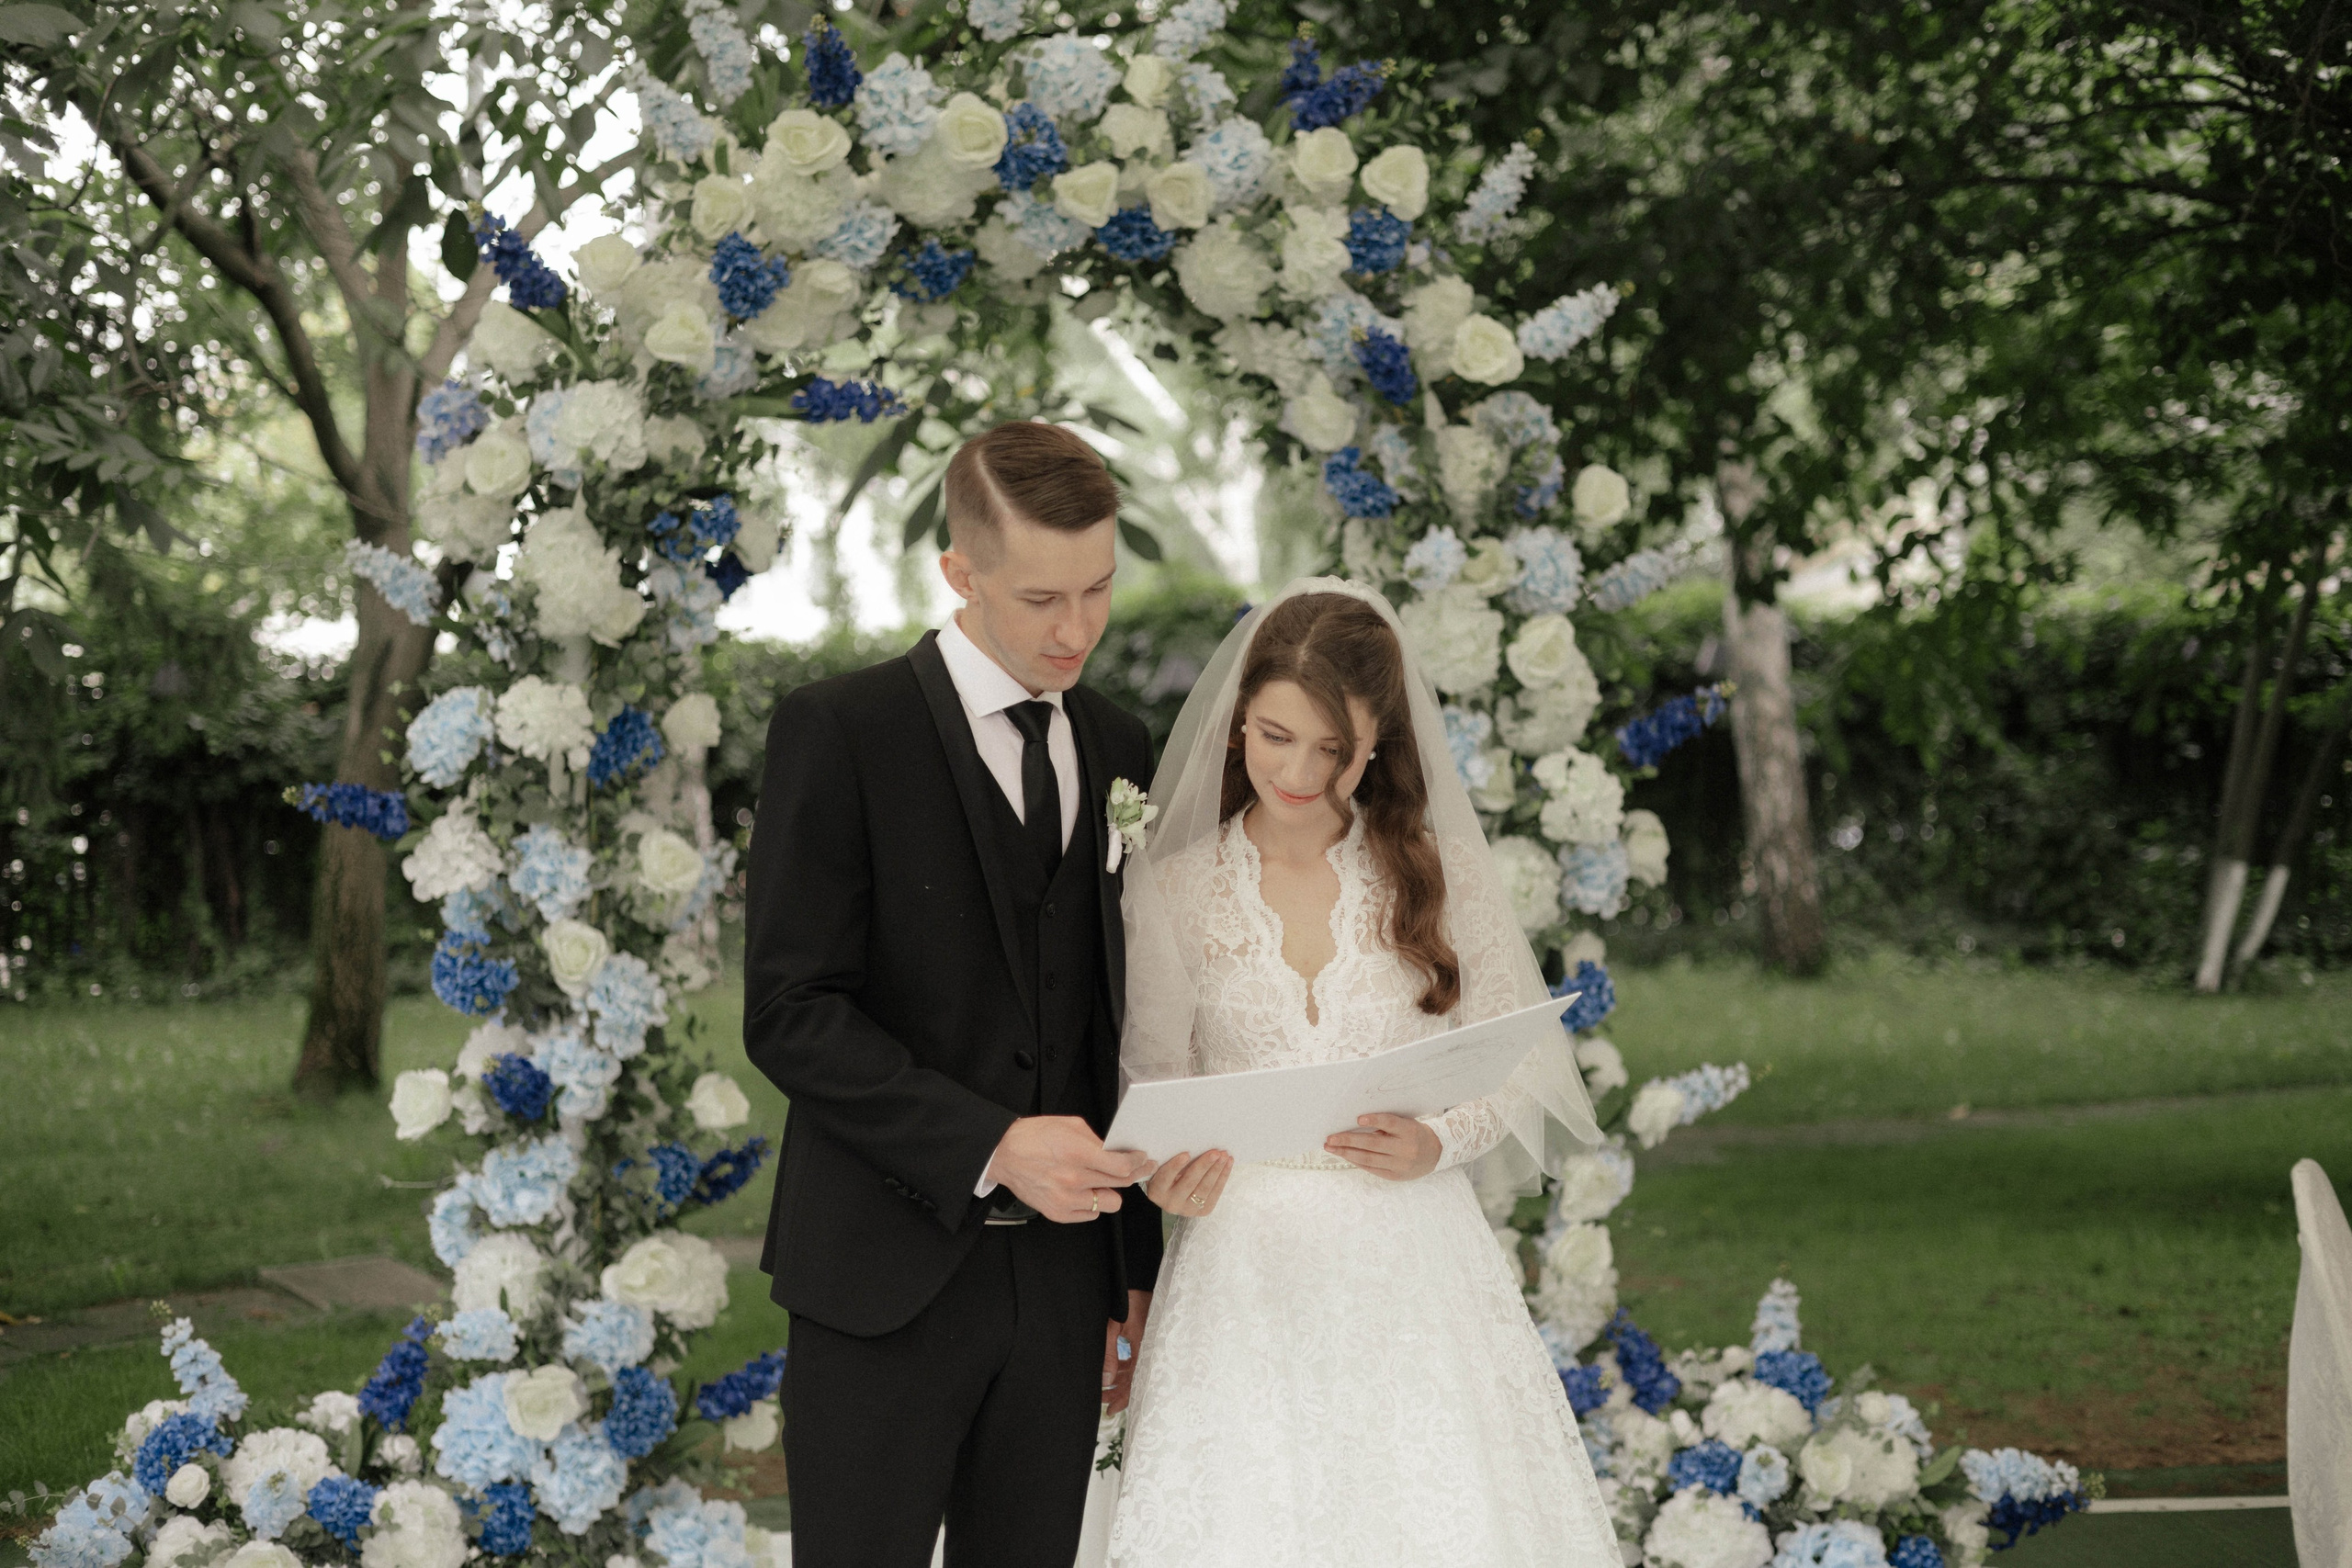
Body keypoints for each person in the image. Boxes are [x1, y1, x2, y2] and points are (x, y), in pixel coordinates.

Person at [1098, 581, 1622, 1567]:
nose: (1299, 771)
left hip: (1413, 1256)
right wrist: (1163, 1172)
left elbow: (1522, 1065)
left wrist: (1440, 1139)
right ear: (1237, 723)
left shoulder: (1438, 871)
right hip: (1243, 1265)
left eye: (1333, 748)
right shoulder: (1173, 889)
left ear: (1379, 740)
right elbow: (1152, 1086)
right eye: (1275, 736)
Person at [741, 422, 1166, 1568]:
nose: (1076, 629)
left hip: (1067, 1285)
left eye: (1098, 588)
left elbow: (1113, 1023)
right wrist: (990, 1144)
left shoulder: (1121, 744)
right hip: (882, 1274)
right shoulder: (840, 730)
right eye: (1041, 599)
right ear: (960, 574)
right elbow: (789, 1011)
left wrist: (1131, 1273)